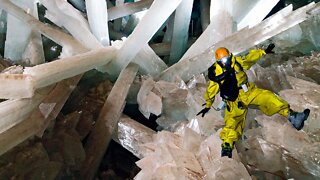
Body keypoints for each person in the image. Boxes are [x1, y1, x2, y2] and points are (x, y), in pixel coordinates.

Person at [197, 44, 310, 158]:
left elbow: (249, 58)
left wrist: (263, 52)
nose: (225, 61)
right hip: (233, 100)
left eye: (226, 58)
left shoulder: (236, 62)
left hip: (247, 91)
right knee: (232, 123)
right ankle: (227, 147)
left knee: (268, 97)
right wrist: (208, 105)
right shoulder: (216, 73)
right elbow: (211, 90)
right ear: (218, 61)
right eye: (222, 60)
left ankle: (293, 116)